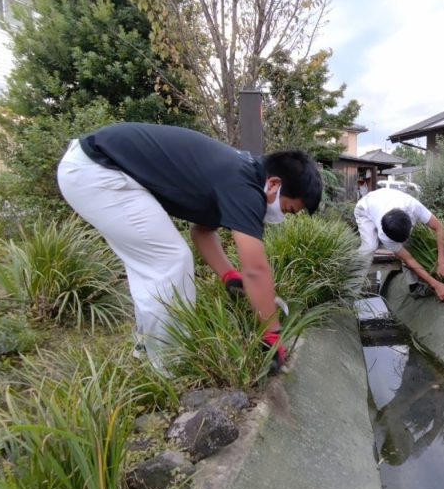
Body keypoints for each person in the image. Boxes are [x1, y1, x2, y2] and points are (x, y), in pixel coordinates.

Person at [56, 121, 322, 371]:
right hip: (98, 170)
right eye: (287, 209)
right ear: (274, 183)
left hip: (93, 167)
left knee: (155, 263)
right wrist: (272, 336)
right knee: (169, 260)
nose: (281, 216)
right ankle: (170, 364)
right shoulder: (245, 187)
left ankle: (148, 347)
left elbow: (202, 232)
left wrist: (229, 276)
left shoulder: (243, 173)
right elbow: (256, 269)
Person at [354, 186, 444, 301]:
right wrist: (436, 284)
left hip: (385, 199)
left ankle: (414, 287)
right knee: (369, 248)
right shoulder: (384, 234)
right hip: (365, 209)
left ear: (409, 222)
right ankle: (352, 288)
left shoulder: (413, 207)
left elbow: (439, 227)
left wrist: (442, 261)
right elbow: (408, 259)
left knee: (410, 245)